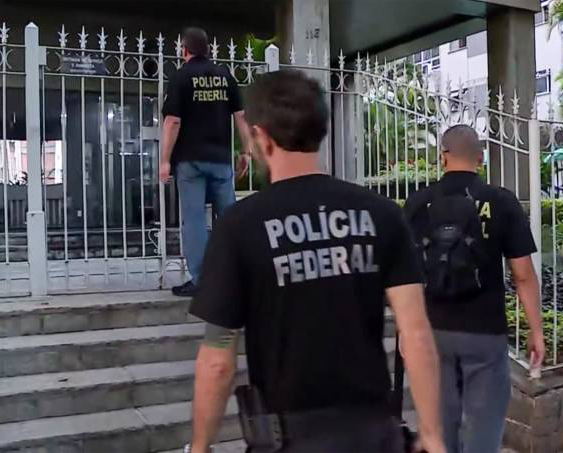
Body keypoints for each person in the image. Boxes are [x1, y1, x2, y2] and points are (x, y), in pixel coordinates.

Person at [185, 70, 445, 453]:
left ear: (261, 136)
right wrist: (432, 434)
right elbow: (416, 333)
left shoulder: (239, 227)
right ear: (319, 130)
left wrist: (200, 446)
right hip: (374, 435)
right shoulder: (382, 214)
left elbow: (217, 359)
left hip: (289, 439)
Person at [404, 125, 545, 453]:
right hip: (485, 332)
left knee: (440, 429)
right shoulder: (501, 201)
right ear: (480, 159)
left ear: (443, 157)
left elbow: (406, 276)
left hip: (433, 331)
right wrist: (536, 330)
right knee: (484, 428)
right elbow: (523, 275)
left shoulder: (418, 203)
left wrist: (405, 332)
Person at [161, 27, 251, 297]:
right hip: (221, 159)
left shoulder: (180, 77)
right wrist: (246, 152)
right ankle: (240, 276)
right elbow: (241, 116)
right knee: (230, 219)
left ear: (185, 50)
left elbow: (172, 121)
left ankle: (201, 280)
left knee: (194, 220)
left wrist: (164, 160)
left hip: (190, 162)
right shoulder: (225, 75)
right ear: (208, 49)